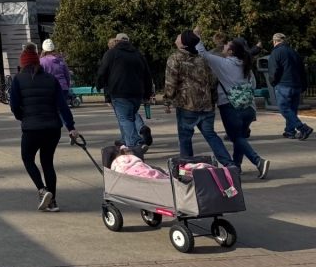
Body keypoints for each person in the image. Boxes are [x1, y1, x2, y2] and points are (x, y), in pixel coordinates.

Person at [9, 44, 79, 212]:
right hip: (52, 127)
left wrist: (22, 117)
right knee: (47, 163)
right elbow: (63, 106)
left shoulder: (18, 79)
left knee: (27, 159)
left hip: (31, 128)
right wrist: (71, 127)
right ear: (38, 62)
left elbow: (14, 105)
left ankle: (42, 190)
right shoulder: (51, 79)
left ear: (23, 63)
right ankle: (53, 201)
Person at [198, 36, 270, 178]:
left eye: (226, 46)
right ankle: (236, 166)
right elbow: (253, 84)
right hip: (249, 107)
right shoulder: (245, 65)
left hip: (231, 106)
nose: (224, 46)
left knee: (235, 137)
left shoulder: (224, 64)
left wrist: (197, 36)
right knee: (240, 138)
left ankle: (258, 161)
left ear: (230, 51)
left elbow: (203, 53)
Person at [164, 31, 233, 166]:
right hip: (206, 105)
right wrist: (212, 101)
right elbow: (213, 81)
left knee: (185, 138)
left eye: (179, 36)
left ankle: (187, 169)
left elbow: (171, 82)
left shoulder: (175, 58)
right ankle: (229, 164)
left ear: (183, 42)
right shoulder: (201, 59)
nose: (177, 37)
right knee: (211, 135)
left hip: (187, 104)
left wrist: (167, 100)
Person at [95, 33, 153, 150]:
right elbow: (147, 75)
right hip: (137, 93)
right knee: (130, 117)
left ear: (116, 41)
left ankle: (136, 142)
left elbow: (103, 71)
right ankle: (126, 143)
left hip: (120, 92)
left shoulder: (112, 53)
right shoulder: (138, 55)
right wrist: (147, 94)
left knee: (125, 118)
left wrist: (98, 85)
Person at [269, 33, 312, 140]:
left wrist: (273, 82)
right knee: (292, 109)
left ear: (275, 41)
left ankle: (302, 127)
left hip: (284, 84)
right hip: (296, 85)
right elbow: (302, 71)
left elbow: (274, 70)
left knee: (284, 109)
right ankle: (290, 131)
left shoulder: (276, 52)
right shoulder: (295, 53)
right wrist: (304, 85)